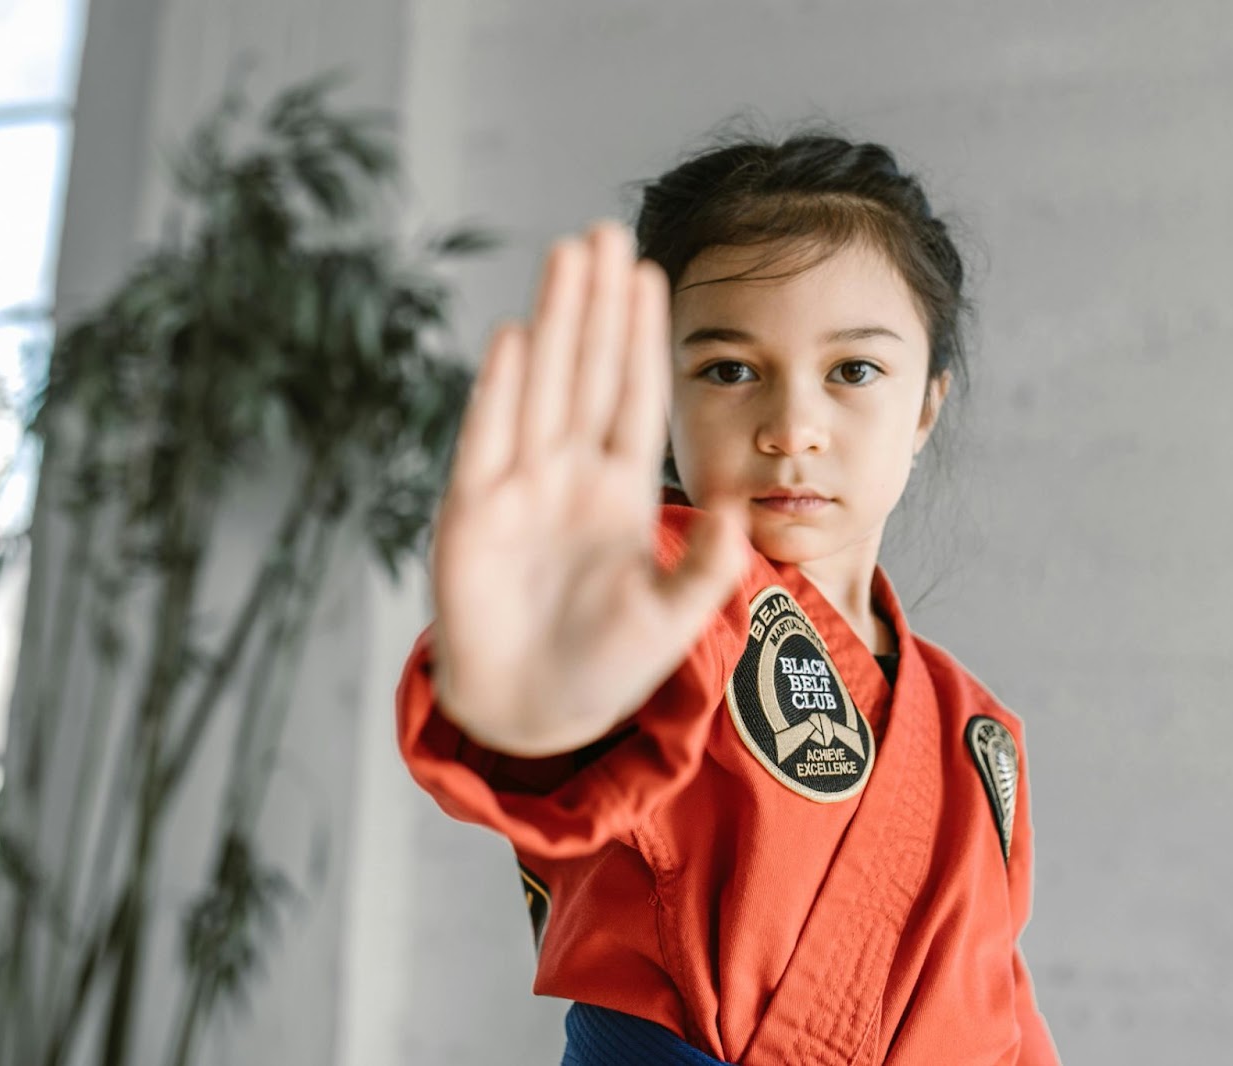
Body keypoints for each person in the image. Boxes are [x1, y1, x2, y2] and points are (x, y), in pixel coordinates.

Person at [395, 132, 1060, 1065]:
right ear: (661, 397)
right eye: (728, 370)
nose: (791, 428)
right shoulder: (660, 588)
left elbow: (1000, 1012)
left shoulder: (977, 733)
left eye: (852, 371)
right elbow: (566, 697)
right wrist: (532, 687)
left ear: (925, 408)